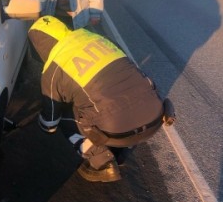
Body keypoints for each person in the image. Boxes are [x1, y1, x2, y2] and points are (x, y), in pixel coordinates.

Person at [28, 16, 175, 183]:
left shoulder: (54, 67)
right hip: (155, 116)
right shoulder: (96, 38)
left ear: (39, 45)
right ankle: (120, 154)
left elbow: (50, 123)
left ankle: (102, 163)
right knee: (108, 100)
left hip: (118, 128)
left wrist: (40, 121)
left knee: (67, 118)